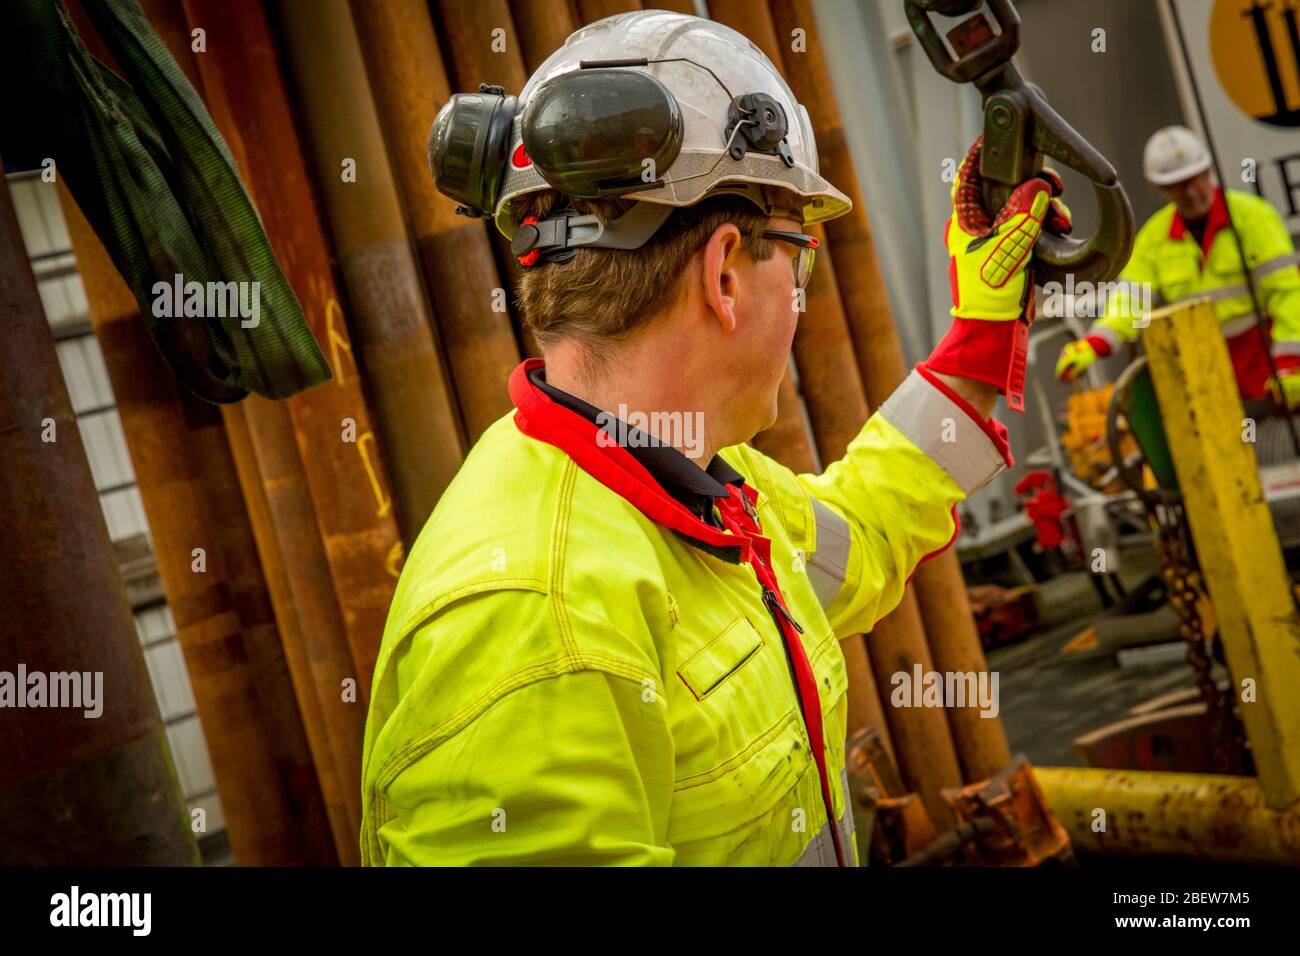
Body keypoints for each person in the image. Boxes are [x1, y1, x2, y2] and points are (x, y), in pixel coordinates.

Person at [359, 10, 1064, 866]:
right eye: (798, 256)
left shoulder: (694, 486)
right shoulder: (535, 625)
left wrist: (978, 343)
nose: (799, 296)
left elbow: (859, 531)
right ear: (726, 272)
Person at [1055, 125, 1300, 404]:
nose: (1192, 192)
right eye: (1178, 185)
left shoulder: (1254, 219)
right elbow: (1131, 301)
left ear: (1208, 171)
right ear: (1161, 189)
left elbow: (1288, 294)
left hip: (1267, 370)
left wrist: (1290, 362)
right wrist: (1095, 343)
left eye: (1195, 179)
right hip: (1204, 385)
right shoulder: (1153, 239)